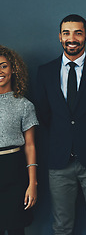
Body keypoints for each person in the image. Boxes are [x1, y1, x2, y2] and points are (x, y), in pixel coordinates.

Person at [35, 14, 86, 235]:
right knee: (61, 225)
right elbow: (43, 114)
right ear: (60, 37)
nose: (72, 38)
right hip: (59, 161)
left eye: (78, 33)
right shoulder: (45, 72)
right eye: (66, 33)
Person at [0, 45, 39, 235]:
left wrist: (33, 184)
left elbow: (30, 146)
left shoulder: (24, 105)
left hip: (13, 169)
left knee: (16, 228)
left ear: (13, 69)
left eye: (3, 66)